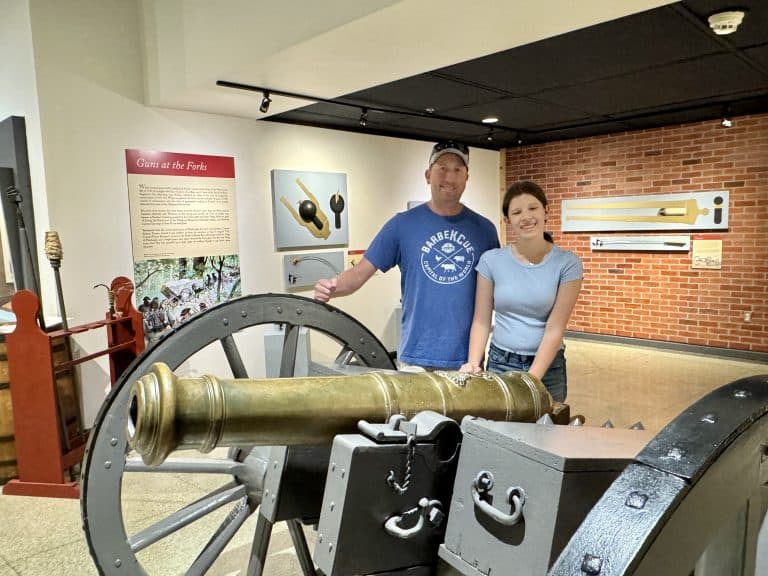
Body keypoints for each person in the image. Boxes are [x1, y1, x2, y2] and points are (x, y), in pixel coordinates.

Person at [314, 140, 499, 370]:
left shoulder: (485, 231)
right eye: (442, 169)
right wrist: (332, 287)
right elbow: (360, 272)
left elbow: (498, 290)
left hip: (467, 361)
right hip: (416, 359)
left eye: (457, 170)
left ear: (466, 177)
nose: (450, 178)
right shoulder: (402, 225)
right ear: (428, 175)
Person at [459, 180, 583, 402]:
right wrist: (473, 363)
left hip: (548, 366)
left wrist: (532, 380)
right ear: (507, 220)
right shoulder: (491, 261)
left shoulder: (567, 264)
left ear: (546, 210)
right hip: (500, 362)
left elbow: (555, 329)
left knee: (545, 433)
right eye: (517, 212)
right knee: (498, 431)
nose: (526, 217)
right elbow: (481, 320)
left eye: (533, 208)